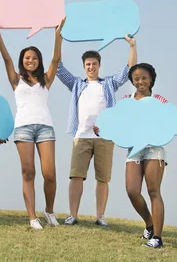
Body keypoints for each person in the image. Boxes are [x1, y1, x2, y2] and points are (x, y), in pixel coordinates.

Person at [95, 62, 177, 249]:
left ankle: (157, 238)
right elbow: (116, 122)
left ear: (151, 79)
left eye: (144, 77)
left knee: (154, 191)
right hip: (134, 149)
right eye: (136, 78)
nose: (140, 81)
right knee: (132, 191)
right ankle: (149, 223)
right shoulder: (126, 100)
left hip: (154, 148)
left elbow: (172, 120)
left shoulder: (159, 100)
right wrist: (102, 129)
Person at [0, 17, 65, 230]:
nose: (30, 60)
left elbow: (56, 59)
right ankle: (32, 217)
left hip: (45, 128)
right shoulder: (16, 79)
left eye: (33, 58)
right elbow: (6, 59)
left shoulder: (46, 79)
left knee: (49, 173)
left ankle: (49, 211)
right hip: (23, 128)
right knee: (28, 172)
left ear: (38, 60)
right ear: (22, 60)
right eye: (26, 58)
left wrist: (57, 34)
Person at [55, 35, 137, 227]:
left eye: (94, 64)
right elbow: (58, 67)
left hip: (105, 137)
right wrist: (58, 37)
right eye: (87, 64)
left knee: (103, 178)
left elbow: (129, 70)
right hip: (81, 136)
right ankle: (72, 215)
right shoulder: (77, 84)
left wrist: (132, 46)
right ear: (84, 67)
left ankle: (100, 216)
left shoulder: (108, 84)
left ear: (99, 65)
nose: (91, 67)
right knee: (76, 176)